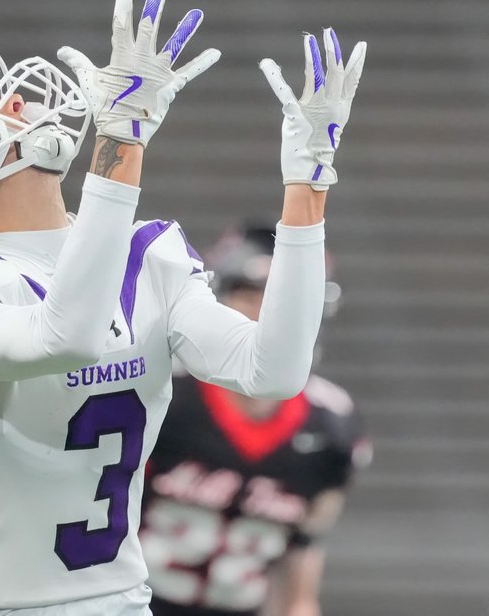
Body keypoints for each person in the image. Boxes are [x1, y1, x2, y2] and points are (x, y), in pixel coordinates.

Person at [0, 0, 367, 616]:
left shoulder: (145, 253)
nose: (15, 100)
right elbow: (66, 336)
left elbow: (274, 370)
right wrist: (121, 144)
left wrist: (308, 184)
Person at [139, 223, 372, 616]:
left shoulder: (334, 429)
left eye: (284, 302)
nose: (267, 316)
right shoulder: (165, 394)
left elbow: (302, 554)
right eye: (250, 296)